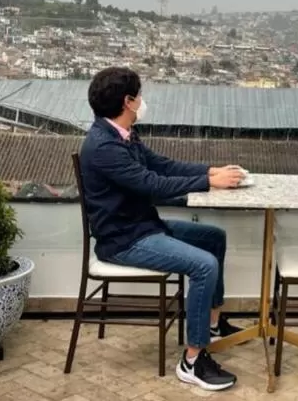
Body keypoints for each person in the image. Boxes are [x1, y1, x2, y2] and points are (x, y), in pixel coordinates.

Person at [79, 66, 245, 391]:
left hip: (143, 226)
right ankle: (193, 361)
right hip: (124, 240)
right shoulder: (104, 147)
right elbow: (152, 185)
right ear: (128, 101)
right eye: (139, 95)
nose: (143, 101)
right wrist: (208, 183)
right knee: (203, 264)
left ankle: (211, 325)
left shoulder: (122, 135)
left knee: (213, 238)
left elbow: (162, 165)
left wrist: (210, 170)